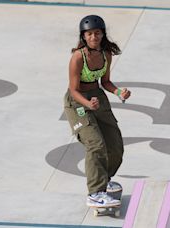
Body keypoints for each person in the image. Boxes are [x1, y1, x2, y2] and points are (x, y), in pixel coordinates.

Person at [63, 15, 131, 207]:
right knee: (95, 144)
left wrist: (119, 92)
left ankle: (104, 179)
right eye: (90, 34)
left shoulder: (105, 53)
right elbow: (73, 90)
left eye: (97, 33)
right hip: (77, 103)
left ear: (103, 34)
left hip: (97, 97)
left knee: (115, 144)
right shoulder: (78, 57)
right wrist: (87, 104)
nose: (94, 37)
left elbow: (105, 82)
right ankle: (95, 192)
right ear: (83, 36)